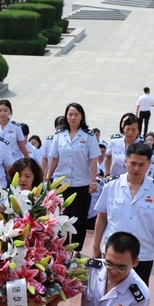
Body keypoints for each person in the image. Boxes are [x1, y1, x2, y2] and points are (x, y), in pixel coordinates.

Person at [93, 143, 154, 286]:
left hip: (142, 256)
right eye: (133, 163)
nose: (136, 168)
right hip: (111, 254)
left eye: (141, 164)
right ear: (125, 161)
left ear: (149, 164)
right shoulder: (111, 186)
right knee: (106, 292)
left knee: (135, 299)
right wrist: (95, 248)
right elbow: (102, 217)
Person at [47, 103, 100, 254]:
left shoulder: (88, 136)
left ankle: (75, 252)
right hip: (61, 184)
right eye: (70, 114)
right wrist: (48, 178)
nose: (73, 117)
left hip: (81, 184)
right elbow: (54, 158)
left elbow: (93, 159)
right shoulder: (59, 136)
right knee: (60, 218)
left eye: (76, 114)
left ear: (81, 116)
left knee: (79, 220)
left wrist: (93, 180)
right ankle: (60, 251)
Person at [105, 113, 143, 178]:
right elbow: (107, 157)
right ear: (123, 129)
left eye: (133, 130)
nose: (130, 132)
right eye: (128, 129)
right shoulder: (114, 142)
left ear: (138, 131)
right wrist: (107, 174)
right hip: (114, 179)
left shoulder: (143, 146)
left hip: (133, 181)